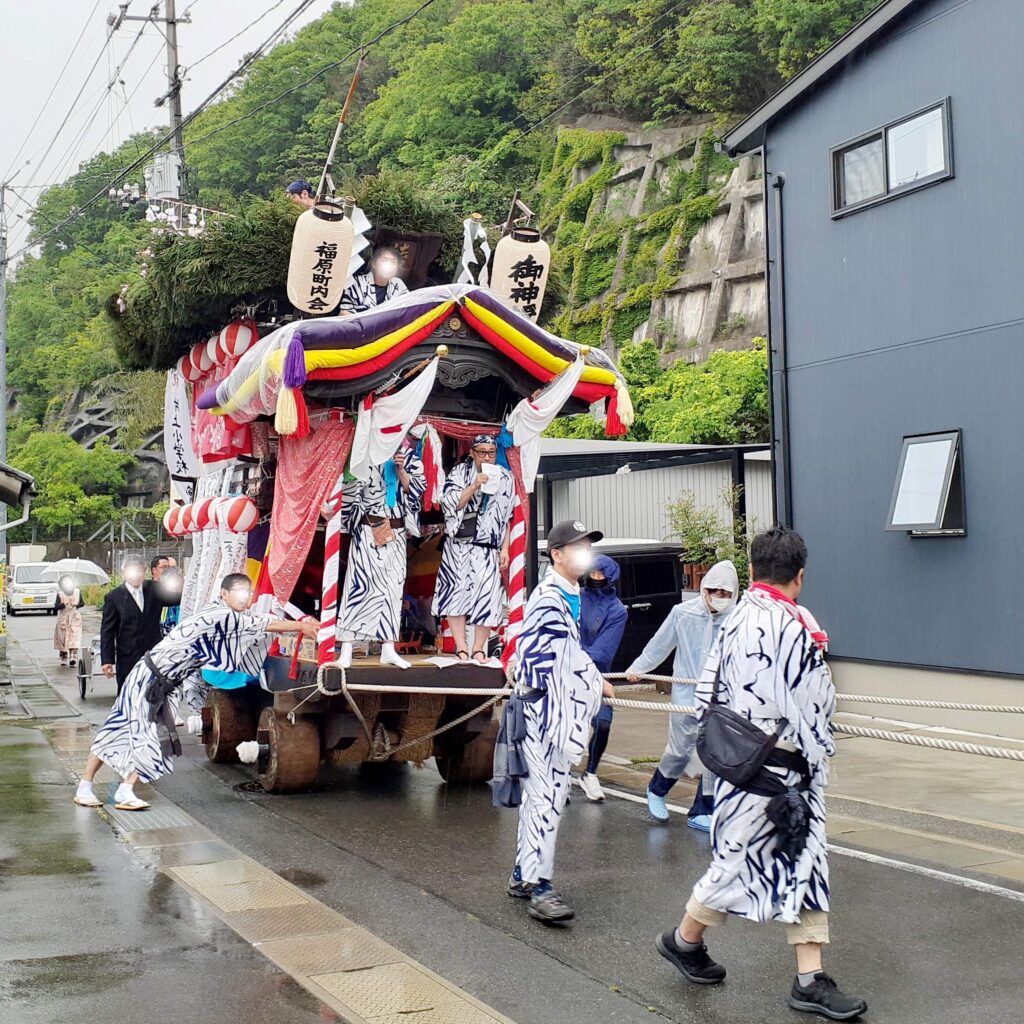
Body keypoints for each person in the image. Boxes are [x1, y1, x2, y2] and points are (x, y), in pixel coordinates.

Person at [655, 527, 866, 1021]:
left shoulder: (733, 619)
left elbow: (706, 691)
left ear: (751, 571)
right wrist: (820, 760)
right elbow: (815, 705)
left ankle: (797, 974)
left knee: (769, 863)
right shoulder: (795, 625)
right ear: (800, 575)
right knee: (778, 866)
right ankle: (689, 942)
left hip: (733, 763)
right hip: (782, 771)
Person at [74, 573, 319, 812]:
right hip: (150, 678)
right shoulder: (220, 615)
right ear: (224, 594)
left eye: (249, 593)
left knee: (142, 733)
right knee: (137, 732)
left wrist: (298, 625)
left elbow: (255, 620)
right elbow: (262, 623)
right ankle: (112, 789)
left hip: (162, 681)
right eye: (240, 593)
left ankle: (107, 788)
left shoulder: (221, 612)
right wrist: (301, 625)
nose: (246, 598)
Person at [499, 521, 613, 925]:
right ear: (557, 554)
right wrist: (595, 682)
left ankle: (523, 875)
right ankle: (540, 887)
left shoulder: (570, 593)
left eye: (588, 547)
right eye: (576, 547)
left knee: (541, 798)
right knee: (547, 800)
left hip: (549, 709)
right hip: (543, 712)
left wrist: (590, 679)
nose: (584, 553)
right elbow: (559, 660)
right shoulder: (549, 598)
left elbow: (569, 655)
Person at [626, 560, 738, 831]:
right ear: (704, 589)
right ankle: (657, 789)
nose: (719, 598)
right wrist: (638, 668)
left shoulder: (738, 619)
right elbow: (660, 643)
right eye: (714, 591)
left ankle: (701, 810)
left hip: (720, 696)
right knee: (680, 749)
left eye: (726, 593)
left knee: (713, 753)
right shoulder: (683, 613)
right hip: (686, 695)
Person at [337, 440, 426, 671]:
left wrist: (401, 470)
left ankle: (388, 648)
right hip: (369, 529)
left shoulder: (410, 458)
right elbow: (350, 492)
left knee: (392, 590)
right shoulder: (366, 455)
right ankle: (347, 647)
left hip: (395, 533)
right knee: (358, 587)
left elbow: (417, 492)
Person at [433, 434, 515, 663]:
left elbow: (508, 517)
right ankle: (461, 648)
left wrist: (505, 549)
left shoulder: (506, 477)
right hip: (459, 543)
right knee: (455, 593)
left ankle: (479, 649)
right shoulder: (459, 473)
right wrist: (474, 485)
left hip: (488, 545)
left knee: (487, 596)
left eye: (491, 452)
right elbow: (451, 503)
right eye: (482, 452)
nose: (487, 457)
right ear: (472, 452)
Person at [578, 555, 628, 802]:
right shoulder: (575, 597)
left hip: (599, 673)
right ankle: (561, 773)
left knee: (603, 723)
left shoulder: (617, 610)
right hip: (567, 670)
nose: (596, 578)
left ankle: (590, 772)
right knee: (567, 724)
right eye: (593, 573)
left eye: (601, 574)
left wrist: (577, 658)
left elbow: (604, 650)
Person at [100, 557, 182, 696]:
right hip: (127, 655)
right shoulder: (113, 597)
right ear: (124, 573)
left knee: (154, 694)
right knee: (128, 693)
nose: (136, 575)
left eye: (140, 571)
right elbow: (108, 630)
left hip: (153, 653)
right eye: (132, 572)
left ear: (145, 572)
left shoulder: (155, 588)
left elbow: (176, 599)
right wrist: (107, 660)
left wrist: (189, 587)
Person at [339, 246, 409, 315]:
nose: (389, 265)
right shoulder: (357, 282)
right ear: (374, 264)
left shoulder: (399, 284)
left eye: (393, 262)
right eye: (384, 260)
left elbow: (407, 310)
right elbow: (345, 313)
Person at [53, 576, 84, 667]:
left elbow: (82, 603)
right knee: (63, 638)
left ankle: (73, 656)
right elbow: (55, 607)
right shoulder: (60, 594)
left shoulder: (77, 592)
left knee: (74, 637)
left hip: (74, 617)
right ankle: (63, 656)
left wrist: (76, 604)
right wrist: (62, 604)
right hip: (63, 618)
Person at [152, 555, 181, 637]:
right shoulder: (151, 591)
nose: (168, 570)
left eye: (171, 567)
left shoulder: (180, 596)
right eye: (164, 567)